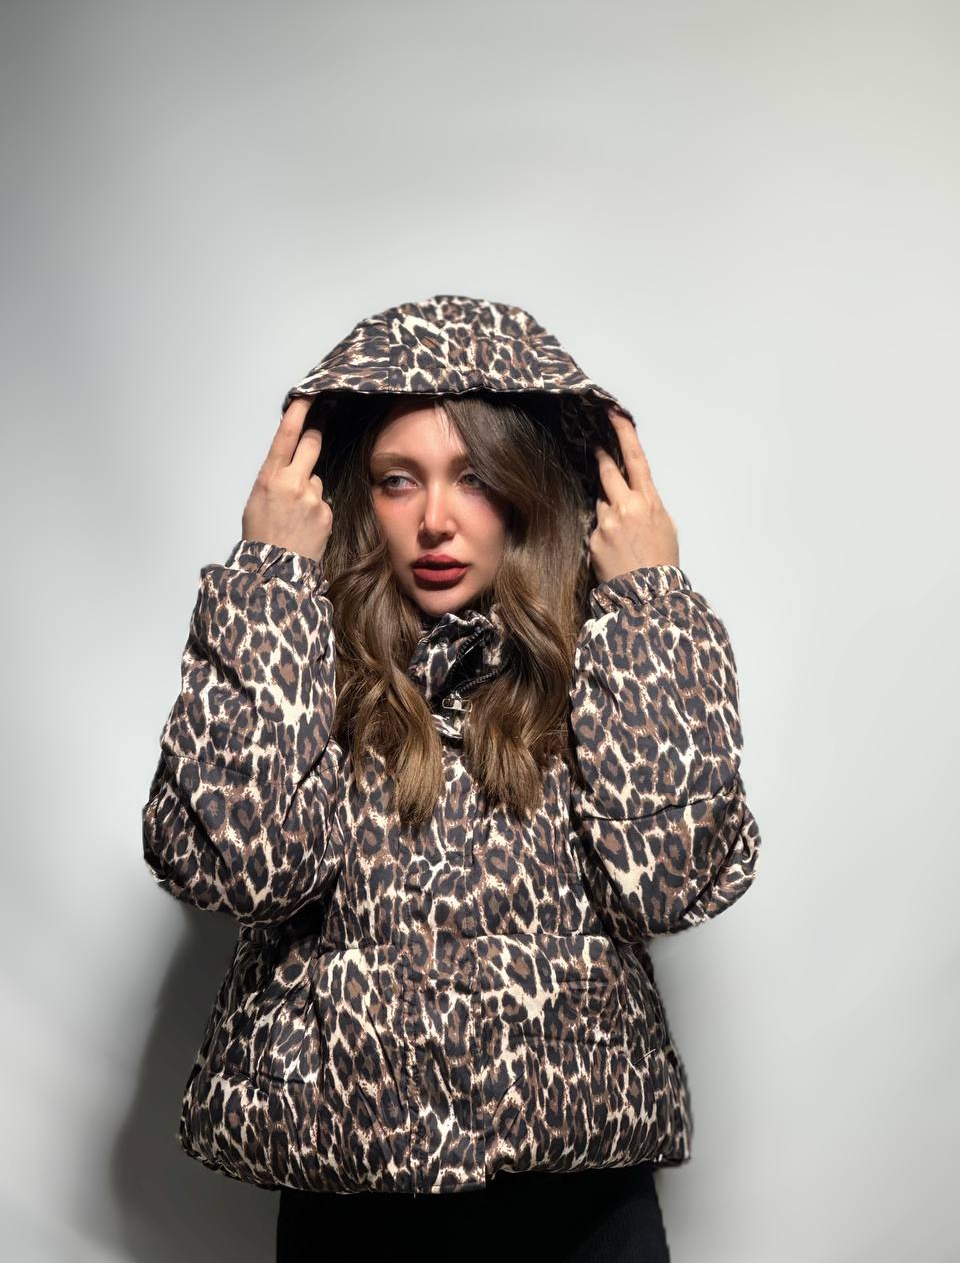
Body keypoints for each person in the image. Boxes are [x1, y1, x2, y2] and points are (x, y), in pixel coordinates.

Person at [141, 295, 762, 1262]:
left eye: (474, 477)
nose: (435, 520)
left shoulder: (604, 659)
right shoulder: (301, 662)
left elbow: (672, 881)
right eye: (399, 480)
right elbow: (239, 870)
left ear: (531, 489)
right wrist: (267, 576)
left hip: (583, 1206)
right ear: (355, 499)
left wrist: (649, 600)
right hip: (353, 1203)